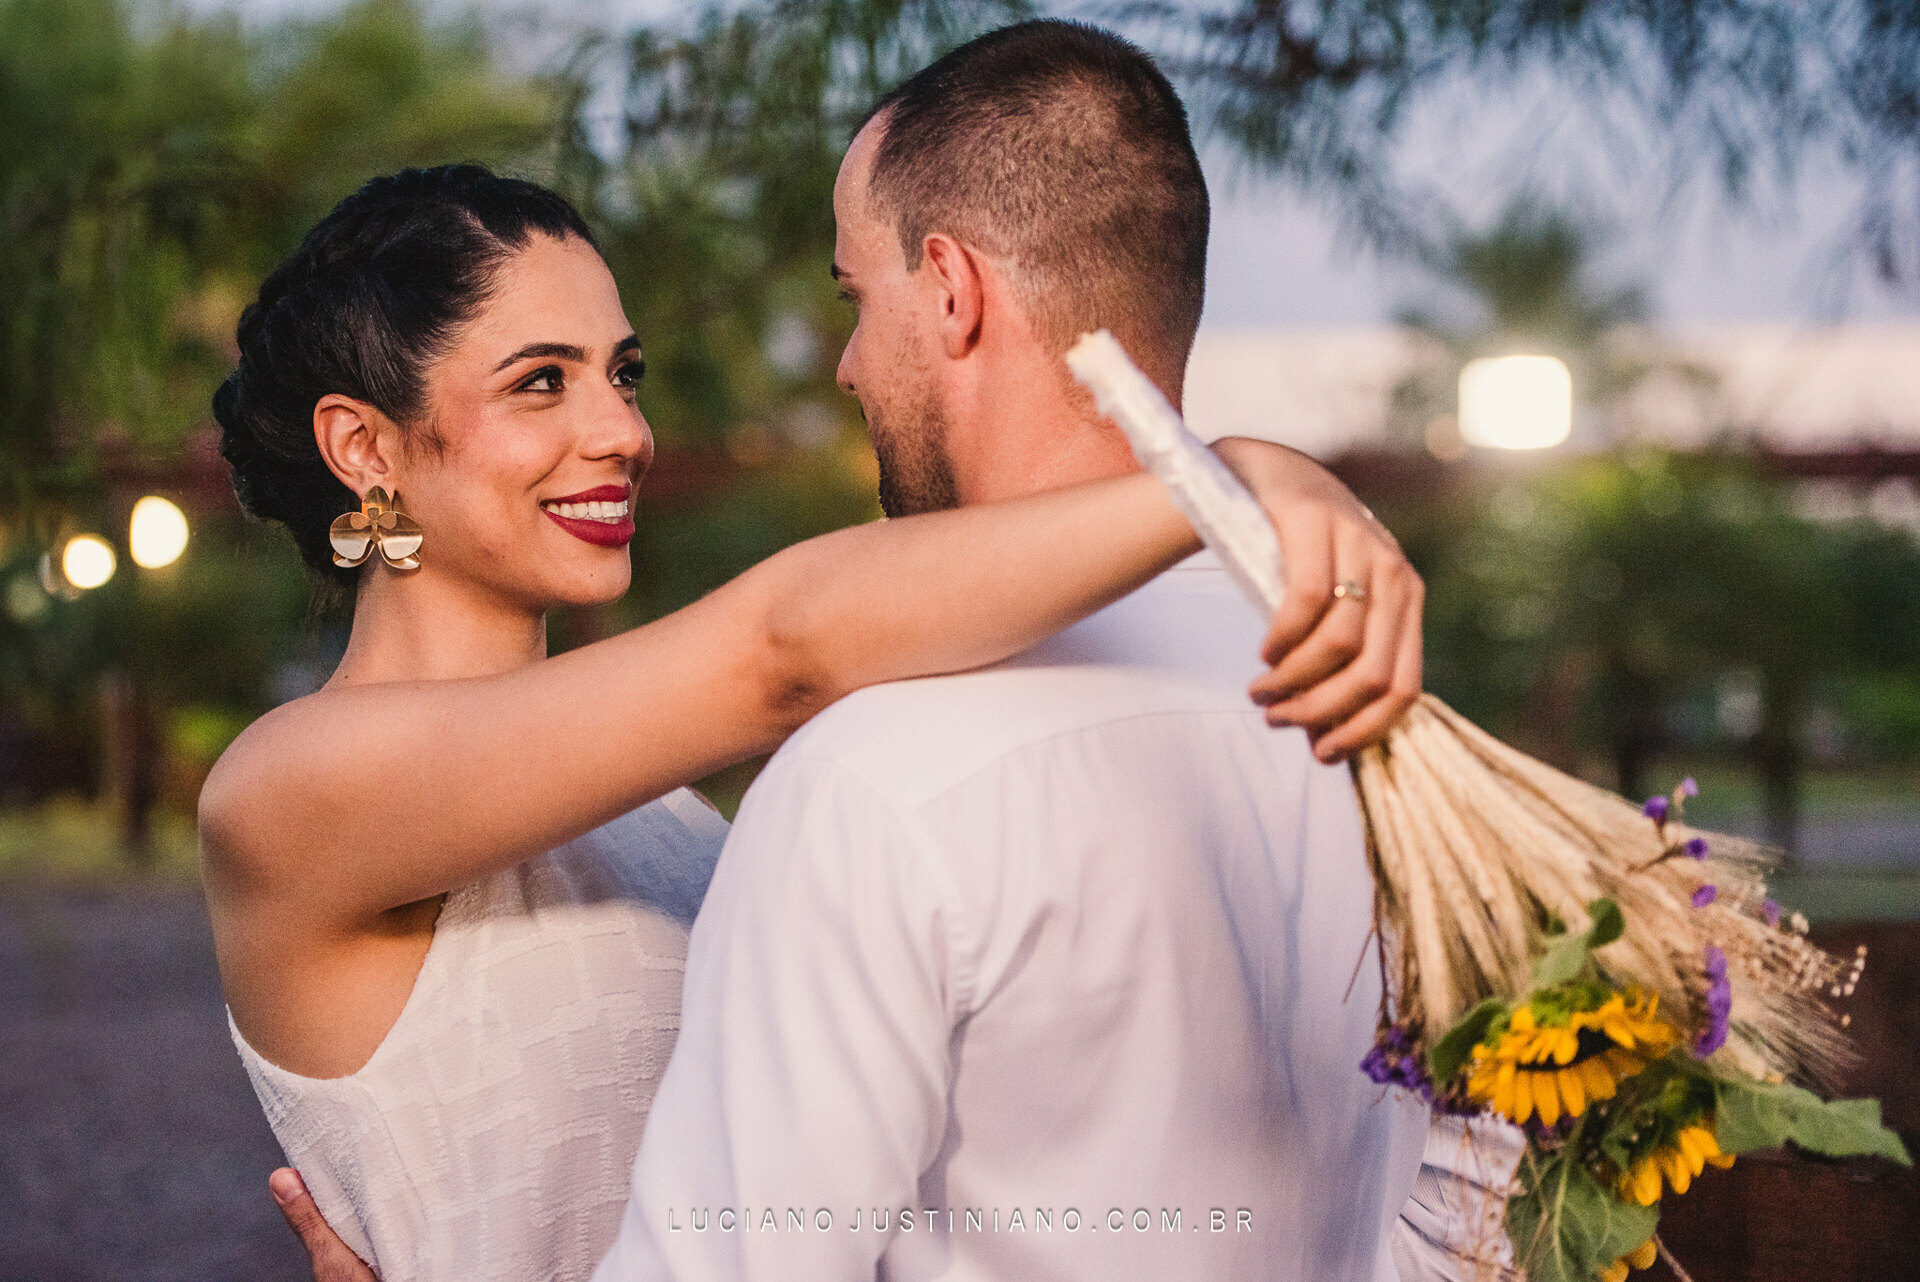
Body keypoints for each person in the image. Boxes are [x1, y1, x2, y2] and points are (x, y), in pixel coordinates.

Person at [209, 142, 1420, 1282]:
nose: (623, 433)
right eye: (542, 382)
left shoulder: (669, 815)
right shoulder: (284, 795)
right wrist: (1225, 479)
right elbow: (781, 649)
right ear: (364, 447)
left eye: (622, 375)